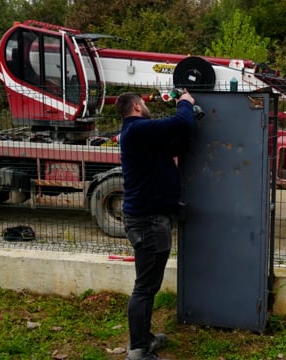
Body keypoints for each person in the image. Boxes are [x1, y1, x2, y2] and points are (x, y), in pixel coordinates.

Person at [115, 90, 196, 360]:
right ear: (137, 106)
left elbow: (178, 139)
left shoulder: (140, 136)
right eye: (144, 103)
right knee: (145, 287)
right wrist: (185, 102)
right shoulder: (137, 130)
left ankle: (144, 339)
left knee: (149, 285)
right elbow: (179, 123)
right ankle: (138, 350)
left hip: (152, 220)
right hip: (147, 222)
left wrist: (191, 120)